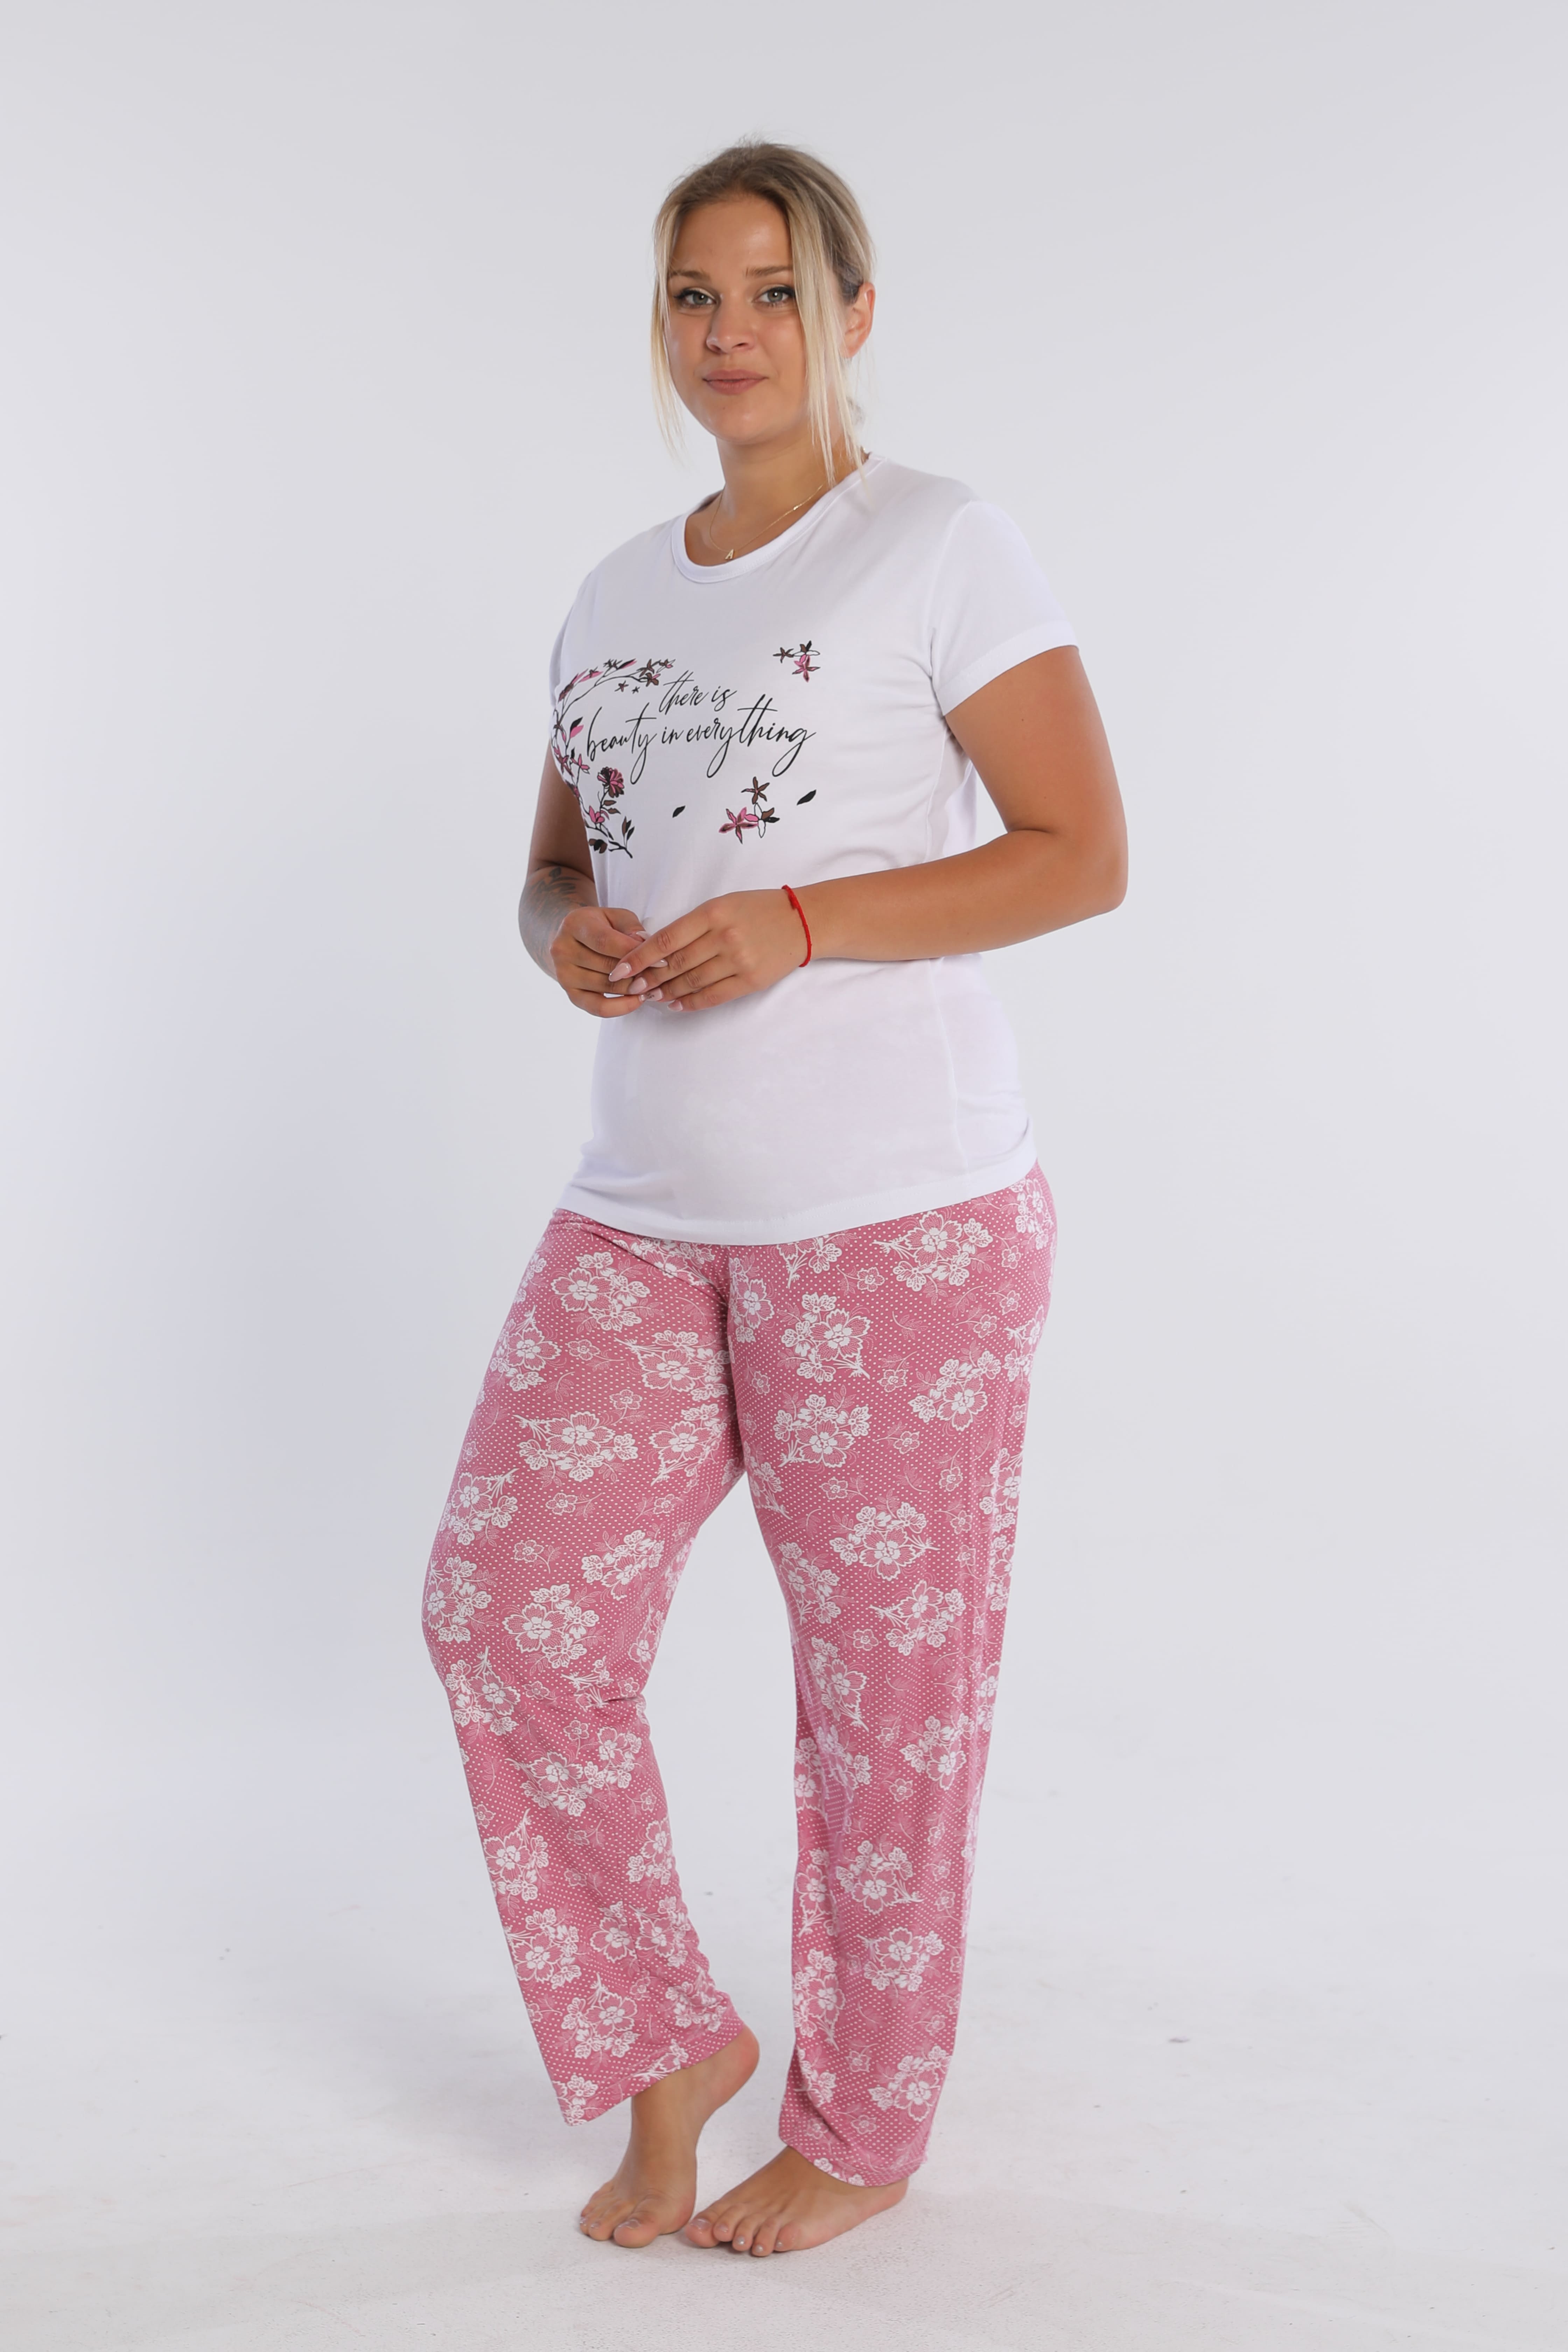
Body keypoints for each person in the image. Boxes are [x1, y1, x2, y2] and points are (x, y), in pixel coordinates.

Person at [422, 138, 1126, 2258]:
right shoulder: (616, 594)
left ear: (852, 315)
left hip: (898, 1219)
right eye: (692, 296)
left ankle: (868, 2123)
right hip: (645, 1208)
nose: (729, 334)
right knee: (503, 1613)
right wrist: (562, 936)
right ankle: (669, 2041)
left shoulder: (940, 545)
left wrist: (805, 921)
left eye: (772, 293)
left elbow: (1080, 850)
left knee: (883, 1697)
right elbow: (553, 864)